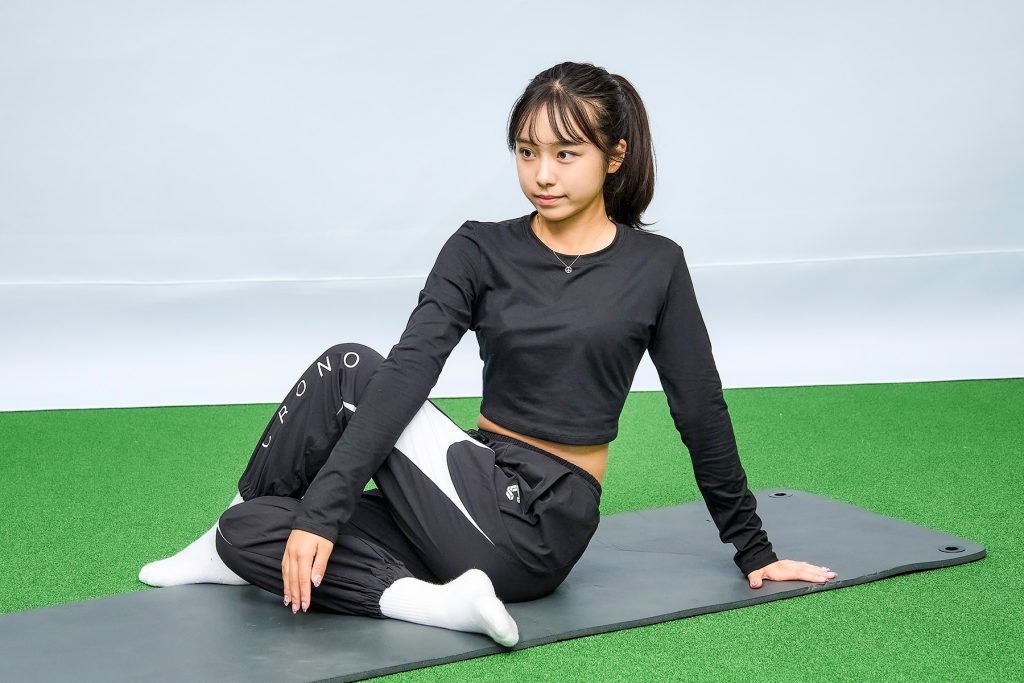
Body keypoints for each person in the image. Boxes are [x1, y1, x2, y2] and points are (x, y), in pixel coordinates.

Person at [137, 61, 837, 648]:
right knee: (251, 528)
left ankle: (238, 549)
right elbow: (414, 364)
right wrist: (318, 511)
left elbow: (700, 409)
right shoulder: (480, 248)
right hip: (467, 488)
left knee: (347, 368)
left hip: (541, 522)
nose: (542, 174)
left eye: (566, 154)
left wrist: (755, 550)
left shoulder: (655, 266)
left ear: (615, 156)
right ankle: (424, 599)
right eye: (527, 152)